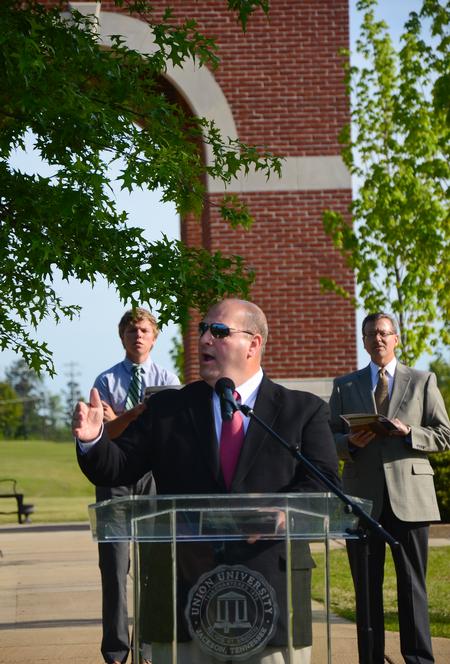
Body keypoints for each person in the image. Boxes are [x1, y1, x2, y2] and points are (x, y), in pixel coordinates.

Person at [74, 298, 340, 664]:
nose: (203, 340)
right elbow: (116, 467)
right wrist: (92, 440)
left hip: (271, 598)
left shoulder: (303, 411)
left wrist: (284, 511)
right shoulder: (170, 409)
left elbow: (323, 482)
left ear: (253, 343)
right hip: (183, 598)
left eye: (218, 332)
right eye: (202, 330)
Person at [329, 312, 450, 664]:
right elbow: (326, 437)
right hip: (362, 501)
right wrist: (349, 443)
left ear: (396, 338)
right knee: (365, 590)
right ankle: (371, 658)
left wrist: (410, 432)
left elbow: (444, 434)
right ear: (363, 341)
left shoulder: (423, 381)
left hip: (410, 500)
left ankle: (418, 659)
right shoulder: (344, 385)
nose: (378, 339)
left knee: (413, 587)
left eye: (384, 333)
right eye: (371, 334)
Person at [93, 307, 180, 664]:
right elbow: (104, 434)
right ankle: (115, 652)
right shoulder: (105, 382)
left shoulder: (168, 380)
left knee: (153, 568)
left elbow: (170, 434)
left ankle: (147, 647)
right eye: (131, 331)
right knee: (114, 568)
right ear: (122, 337)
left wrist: (122, 418)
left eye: (144, 330)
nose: (138, 336)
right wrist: (134, 415)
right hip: (114, 478)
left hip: (152, 479)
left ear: (155, 336)